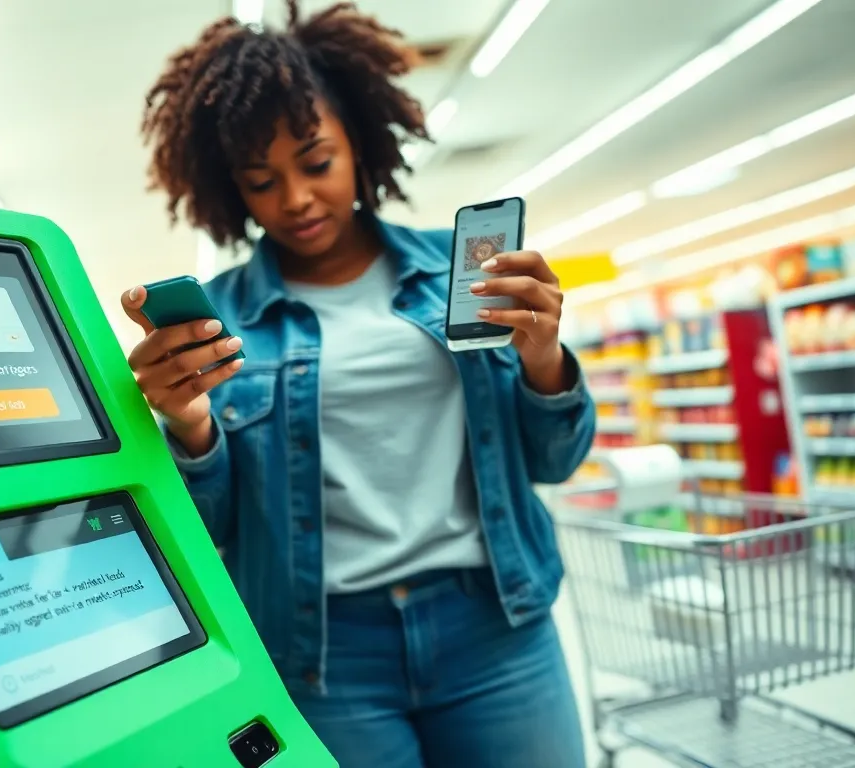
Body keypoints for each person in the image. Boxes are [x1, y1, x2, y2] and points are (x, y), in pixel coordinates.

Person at [125, 2, 594, 766]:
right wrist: (189, 424)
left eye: (316, 162)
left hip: (496, 629)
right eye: (261, 181)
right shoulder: (227, 322)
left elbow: (554, 462)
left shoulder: (462, 273)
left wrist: (544, 358)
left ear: (361, 144)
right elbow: (213, 521)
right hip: (324, 653)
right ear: (230, 188)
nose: (296, 199)